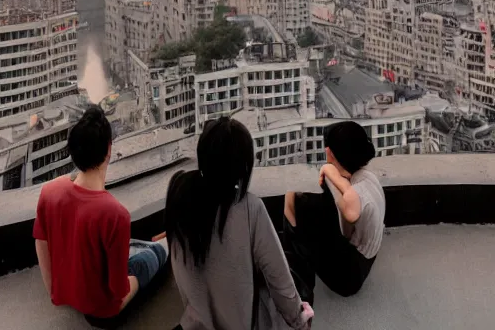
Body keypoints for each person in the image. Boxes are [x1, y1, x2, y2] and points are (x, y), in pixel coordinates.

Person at [165, 116, 314, 330]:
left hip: (194, 324)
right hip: (241, 324)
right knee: (299, 278)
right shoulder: (250, 207)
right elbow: (279, 279)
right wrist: (300, 320)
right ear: (242, 165)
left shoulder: (179, 196)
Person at [33, 106, 168, 327]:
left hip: (63, 293)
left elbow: (41, 242)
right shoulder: (115, 214)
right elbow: (118, 290)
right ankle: (168, 244)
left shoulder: (49, 192)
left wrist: (55, 292)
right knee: (151, 255)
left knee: (123, 247)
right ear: (109, 149)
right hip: (102, 312)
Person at [283, 121, 385, 305]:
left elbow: (352, 210)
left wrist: (332, 173)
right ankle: (295, 259)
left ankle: (299, 287)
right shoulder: (368, 177)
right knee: (314, 202)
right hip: (363, 259)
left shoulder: (359, 192)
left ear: (330, 152)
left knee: (293, 200)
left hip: (350, 276)